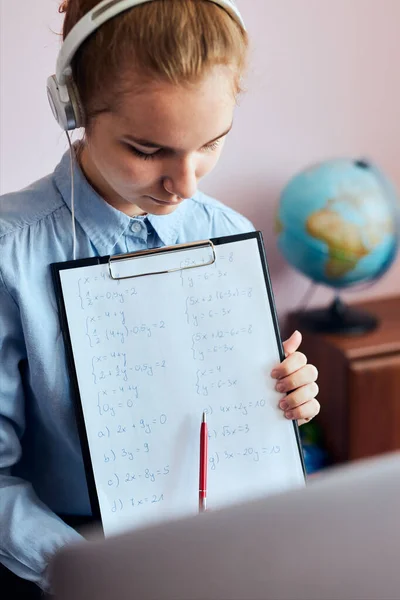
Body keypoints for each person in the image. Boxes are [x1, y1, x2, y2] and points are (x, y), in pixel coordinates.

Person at [0, 0, 320, 597]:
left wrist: (282, 402)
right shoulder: (9, 255)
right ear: (71, 109)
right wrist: (98, 573)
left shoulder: (229, 234)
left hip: (221, 555)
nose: (186, 185)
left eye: (211, 143)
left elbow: (231, 433)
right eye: (148, 151)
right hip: (72, 567)